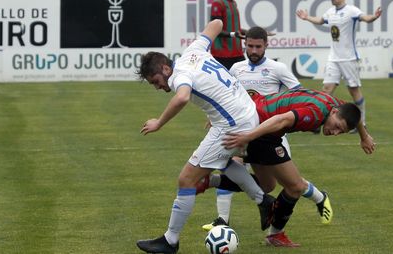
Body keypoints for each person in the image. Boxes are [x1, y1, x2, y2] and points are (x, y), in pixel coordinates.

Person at [134, 19, 275, 254]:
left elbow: (181, 98)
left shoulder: (179, 75)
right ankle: (264, 201)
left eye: (156, 82)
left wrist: (158, 122)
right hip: (247, 112)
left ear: (165, 69)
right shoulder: (193, 50)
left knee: (186, 179)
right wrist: (231, 32)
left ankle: (170, 241)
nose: (158, 87)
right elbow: (217, 23)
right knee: (225, 162)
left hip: (233, 124)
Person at [198, 88, 376, 247]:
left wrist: (364, 136)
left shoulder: (336, 106)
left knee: (266, 185)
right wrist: (248, 137)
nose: (334, 132)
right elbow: (281, 119)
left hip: (253, 116)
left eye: (341, 132)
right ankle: (275, 235)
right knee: (295, 186)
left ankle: (210, 180)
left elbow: (355, 115)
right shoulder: (315, 114)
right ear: (334, 112)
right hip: (262, 128)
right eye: (336, 126)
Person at [202, 27, 332, 233]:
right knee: (232, 165)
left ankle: (318, 196)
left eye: (258, 47)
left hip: (272, 132)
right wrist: (216, 118)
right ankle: (222, 220)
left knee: (281, 183)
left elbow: (298, 93)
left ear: (266, 46)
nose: (253, 50)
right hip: (243, 127)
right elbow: (228, 95)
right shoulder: (236, 68)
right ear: (245, 45)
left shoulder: (277, 68)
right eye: (250, 46)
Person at [296, 0, 382, 131]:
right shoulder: (330, 12)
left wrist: (373, 16)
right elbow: (321, 20)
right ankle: (318, 122)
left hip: (348, 58)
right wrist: (307, 17)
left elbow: (365, 18)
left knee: (354, 91)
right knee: (326, 90)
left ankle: (362, 123)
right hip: (333, 58)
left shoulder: (351, 10)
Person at [210, 0, 246, 70]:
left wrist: (256, 32)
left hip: (237, 53)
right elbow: (215, 29)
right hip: (222, 56)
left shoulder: (233, 3)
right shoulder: (218, 3)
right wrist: (233, 34)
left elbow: (235, 29)